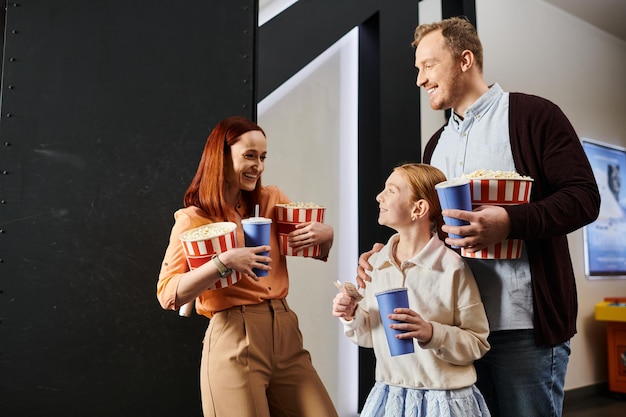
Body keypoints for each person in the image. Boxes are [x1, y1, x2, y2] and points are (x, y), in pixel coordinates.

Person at [357, 17, 600, 417]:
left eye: (428, 66)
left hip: (523, 328)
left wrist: (510, 222)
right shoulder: (436, 145)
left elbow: (584, 198)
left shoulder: (533, 116)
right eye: (417, 69)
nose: (419, 79)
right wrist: (393, 253)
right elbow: (428, 226)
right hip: (451, 329)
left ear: (465, 59)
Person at [157, 116, 338, 417]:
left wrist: (326, 236)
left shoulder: (271, 200)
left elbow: (309, 247)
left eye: (263, 157)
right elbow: (168, 294)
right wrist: (224, 262)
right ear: (221, 157)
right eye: (250, 156)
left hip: (285, 331)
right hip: (234, 337)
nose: (259, 166)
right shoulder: (193, 219)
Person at [335, 163, 491, 417]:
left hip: (444, 401)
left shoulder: (452, 268)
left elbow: (477, 342)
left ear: (418, 208)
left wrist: (431, 333)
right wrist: (352, 315)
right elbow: (368, 337)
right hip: (390, 395)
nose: (379, 196)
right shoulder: (375, 264)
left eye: (391, 190)